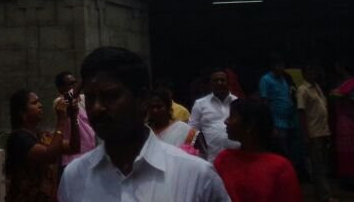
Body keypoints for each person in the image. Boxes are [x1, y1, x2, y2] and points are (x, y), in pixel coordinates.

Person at [58, 47, 230, 202]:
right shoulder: (74, 177)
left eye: (110, 96)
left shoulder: (195, 176)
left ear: (142, 99)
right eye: (90, 98)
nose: (96, 108)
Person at [214, 98, 302, 202]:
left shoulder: (280, 168)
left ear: (250, 125)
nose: (226, 121)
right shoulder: (223, 159)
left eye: (232, 116)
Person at [4, 88, 81, 201]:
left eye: (39, 102)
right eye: (34, 103)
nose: (40, 105)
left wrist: (74, 117)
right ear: (22, 112)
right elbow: (49, 156)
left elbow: (74, 147)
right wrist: (61, 122)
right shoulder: (18, 138)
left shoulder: (42, 135)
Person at [296, 63, 336, 202]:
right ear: (304, 74)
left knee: (323, 165)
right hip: (314, 133)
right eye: (310, 71)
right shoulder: (303, 90)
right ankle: (325, 196)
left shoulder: (317, 87)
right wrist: (306, 134)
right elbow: (301, 112)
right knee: (318, 167)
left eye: (314, 71)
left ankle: (322, 194)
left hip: (323, 130)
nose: (313, 74)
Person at [330, 61, 354, 187]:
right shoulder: (340, 82)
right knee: (345, 149)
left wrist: (345, 98)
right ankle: (347, 177)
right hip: (343, 120)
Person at [190, 68, 240, 161]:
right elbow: (192, 132)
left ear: (228, 82)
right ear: (210, 84)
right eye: (216, 80)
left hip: (238, 158)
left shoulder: (237, 102)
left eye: (222, 80)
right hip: (212, 159)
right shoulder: (200, 104)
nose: (219, 83)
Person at [53, 70, 97, 166]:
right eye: (70, 84)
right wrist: (84, 79)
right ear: (60, 88)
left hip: (90, 154)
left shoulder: (84, 99)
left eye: (75, 83)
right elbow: (70, 97)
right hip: (73, 158)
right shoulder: (60, 103)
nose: (74, 86)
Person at [258, 54, 297, 158]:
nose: (281, 68)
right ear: (273, 66)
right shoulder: (265, 79)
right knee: (282, 152)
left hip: (289, 121)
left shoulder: (283, 79)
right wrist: (271, 125)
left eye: (282, 66)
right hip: (277, 123)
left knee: (292, 152)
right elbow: (264, 103)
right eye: (279, 65)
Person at [147, 86, 203, 155]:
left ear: (168, 108)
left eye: (159, 107)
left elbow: (199, 158)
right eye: (152, 107)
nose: (155, 110)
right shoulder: (145, 131)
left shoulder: (183, 129)